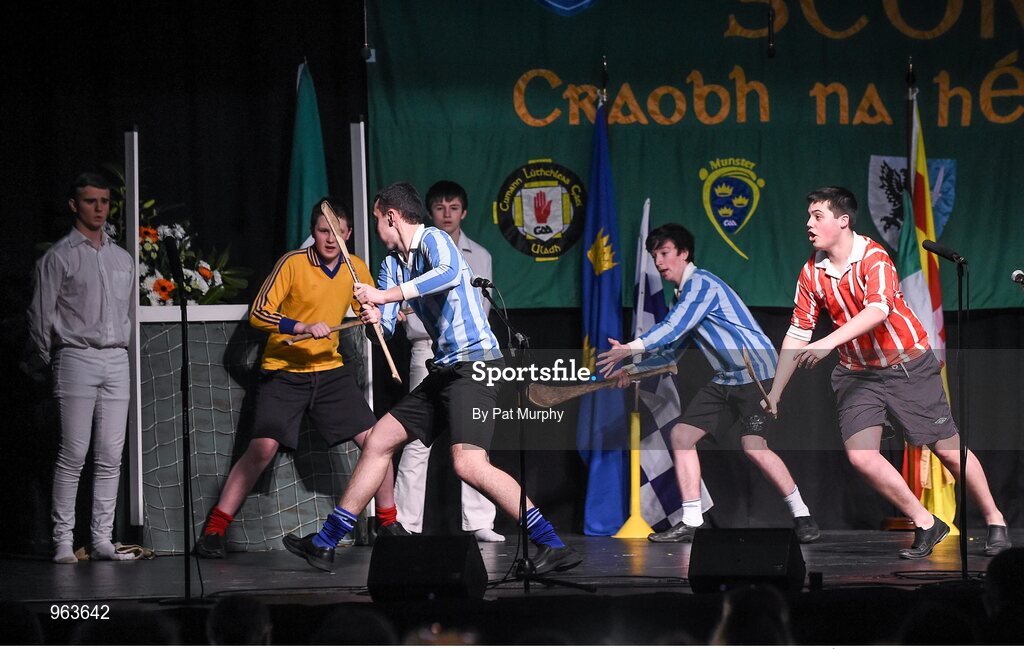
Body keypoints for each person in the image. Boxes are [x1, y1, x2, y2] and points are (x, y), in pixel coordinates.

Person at [283, 182, 581, 575]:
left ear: (391, 216)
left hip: (475, 365)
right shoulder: (391, 265)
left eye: (377, 220)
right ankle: (326, 542)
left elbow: (449, 273)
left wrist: (386, 298)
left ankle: (550, 542)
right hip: (443, 370)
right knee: (379, 441)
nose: (377, 229)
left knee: (469, 464)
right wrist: (373, 319)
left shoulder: (435, 240)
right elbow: (385, 332)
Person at [764, 186, 1010, 558]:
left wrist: (828, 342)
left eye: (817, 216)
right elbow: (798, 331)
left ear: (843, 221)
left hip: (906, 366)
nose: (809, 224)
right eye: (809, 217)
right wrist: (777, 390)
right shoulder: (811, 272)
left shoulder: (874, 257)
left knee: (947, 451)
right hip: (856, 373)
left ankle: (995, 518)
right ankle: (927, 522)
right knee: (862, 456)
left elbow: (877, 310)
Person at [196, 199, 405, 558]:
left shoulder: (355, 269)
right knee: (262, 448)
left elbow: (371, 317)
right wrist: (301, 326)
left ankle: (387, 522)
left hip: (330, 373)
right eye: (324, 232)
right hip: (284, 372)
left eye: (337, 233)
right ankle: (214, 530)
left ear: (348, 234)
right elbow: (259, 313)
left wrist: (380, 317)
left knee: (378, 441)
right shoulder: (293, 263)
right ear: (314, 232)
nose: (330, 239)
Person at [597, 223, 820, 544]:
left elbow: (672, 329)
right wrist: (630, 371)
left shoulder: (701, 285)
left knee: (754, 447)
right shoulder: (684, 296)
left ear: (684, 254)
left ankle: (802, 516)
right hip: (726, 378)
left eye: (665, 253)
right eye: (654, 255)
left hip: (757, 374)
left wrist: (630, 348)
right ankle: (690, 520)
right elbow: (670, 353)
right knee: (682, 435)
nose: (659, 262)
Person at [27, 172, 138, 563]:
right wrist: (47, 359)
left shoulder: (121, 257)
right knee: (73, 452)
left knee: (111, 454)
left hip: (115, 358)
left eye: (104, 201)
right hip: (75, 356)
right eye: (91, 201)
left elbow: (127, 313)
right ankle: (62, 540)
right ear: (75, 205)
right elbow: (40, 318)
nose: (99, 209)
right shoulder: (58, 257)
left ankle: (102, 538)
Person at [395, 180, 503, 542]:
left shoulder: (480, 254)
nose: (447, 214)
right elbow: (409, 304)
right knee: (414, 440)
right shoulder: (413, 253)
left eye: (453, 208)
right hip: (426, 349)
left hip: (468, 355)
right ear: (429, 213)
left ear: (464, 212)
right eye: (439, 208)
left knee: (472, 443)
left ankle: (479, 522)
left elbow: (479, 310)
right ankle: (406, 522)